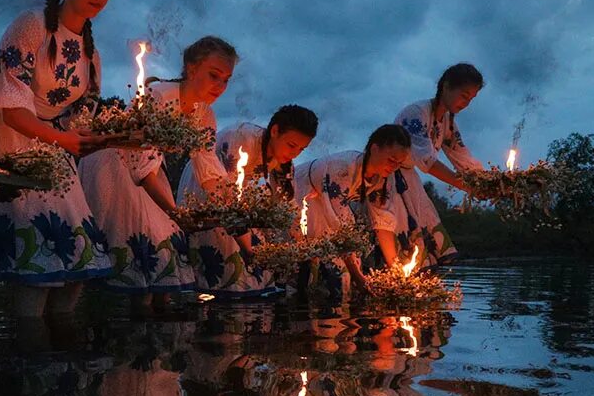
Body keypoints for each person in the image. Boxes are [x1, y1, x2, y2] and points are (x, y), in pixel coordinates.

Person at [0, 0, 118, 318]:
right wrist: (63, 139)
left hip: (56, 149)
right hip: (16, 147)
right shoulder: (31, 26)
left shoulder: (91, 53)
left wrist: (116, 136)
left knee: (79, 259)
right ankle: (30, 339)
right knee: (40, 261)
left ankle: (59, 338)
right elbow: (10, 110)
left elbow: (80, 119)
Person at [173, 37, 284, 298]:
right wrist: (174, 212)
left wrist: (237, 223)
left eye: (226, 80)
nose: (221, 87)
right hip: (132, 173)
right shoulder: (161, 95)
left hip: (206, 193)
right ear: (191, 68)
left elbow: (210, 171)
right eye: (214, 75)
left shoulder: (205, 115)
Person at [76, 85, 198, 311]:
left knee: (159, 247)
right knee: (145, 240)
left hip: (137, 171)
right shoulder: (159, 101)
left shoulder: (185, 111)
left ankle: (156, 314)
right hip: (119, 175)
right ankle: (142, 318)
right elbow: (144, 173)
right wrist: (177, 214)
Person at [214, 105, 320, 293]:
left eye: (301, 149)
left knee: (261, 273)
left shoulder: (284, 165)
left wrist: (304, 246)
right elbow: (227, 195)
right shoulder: (241, 139)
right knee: (229, 265)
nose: (294, 154)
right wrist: (249, 249)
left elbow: (289, 207)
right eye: (291, 145)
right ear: (275, 131)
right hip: (211, 193)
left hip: (238, 209)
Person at [294, 124, 415, 285]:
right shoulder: (342, 168)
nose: (394, 167)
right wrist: (358, 277)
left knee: (343, 274)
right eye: (391, 160)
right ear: (374, 149)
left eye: (399, 163)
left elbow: (383, 222)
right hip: (301, 197)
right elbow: (339, 226)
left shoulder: (384, 178)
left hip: (330, 208)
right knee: (312, 265)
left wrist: (396, 271)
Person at [393, 63, 486, 265]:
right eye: (464, 95)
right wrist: (465, 186)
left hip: (408, 178)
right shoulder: (416, 114)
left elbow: (462, 158)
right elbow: (428, 162)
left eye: (471, 99)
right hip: (389, 177)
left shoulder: (447, 123)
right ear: (446, 86)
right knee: (401, 236)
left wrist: (489, 183)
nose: (466, 103)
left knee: (425, 242)